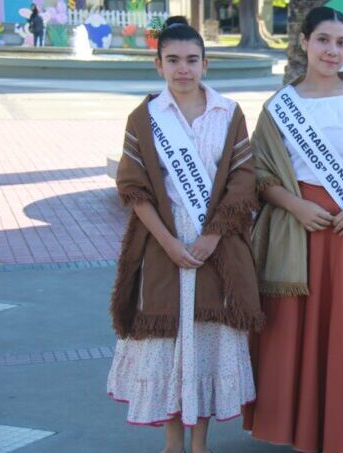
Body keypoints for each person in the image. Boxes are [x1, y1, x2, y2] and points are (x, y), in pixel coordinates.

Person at [242, 6, 343, 453]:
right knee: (295, 333)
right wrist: (295, 205)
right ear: (305, 43)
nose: (333, 50)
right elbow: (258, 173)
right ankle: (303, 432)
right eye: (324, 40)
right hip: (298, 233)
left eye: (341, 42)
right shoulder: (279, 107)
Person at [106, 16, 263, 453]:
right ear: (158, 65)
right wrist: (170, 243)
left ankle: (201, 443)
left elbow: (242, 179)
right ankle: (172, 443)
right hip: (163, 242)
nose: (183, 69)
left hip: (218, 242)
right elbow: (134, 188)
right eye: (172, 60)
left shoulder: (229, 113)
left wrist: (212, 237)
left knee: (207, 342)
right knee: (169, 341)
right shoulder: (145, 116)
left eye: (192, 60)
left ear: (205, 64)